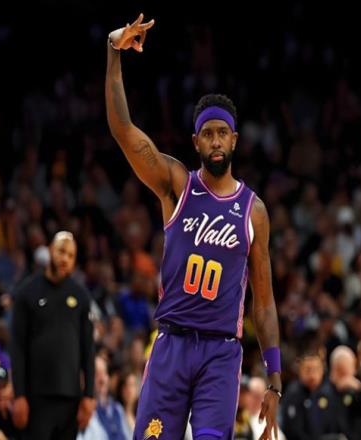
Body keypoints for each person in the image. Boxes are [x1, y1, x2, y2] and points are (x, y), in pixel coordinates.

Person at [106, 13, 282, 440]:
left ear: (234, 139)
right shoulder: (177, 185)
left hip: (221, 353)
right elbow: (123, 130)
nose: (216, 141)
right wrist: (114, 53)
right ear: (196, 142)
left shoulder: (253, 211)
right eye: (208, 134)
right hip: (171, 344)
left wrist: (275, 378)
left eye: (223, 133)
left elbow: (263, 302)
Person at [10, 231, 95, 440]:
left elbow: (88, 349)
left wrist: (89, 395)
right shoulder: (26, 293)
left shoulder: (81, 297)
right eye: (61, 252)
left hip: (70, 398)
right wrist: (19, 395)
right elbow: (17, 347)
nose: (65, 259)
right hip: (35, 397)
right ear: (50, 251)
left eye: (71, 255)